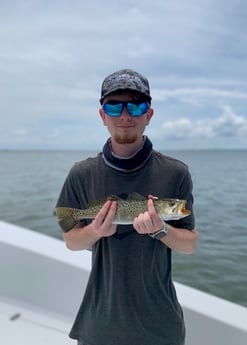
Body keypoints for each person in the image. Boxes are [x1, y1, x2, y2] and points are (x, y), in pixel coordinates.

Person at [56, 68, 198, 345]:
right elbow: (72, 242)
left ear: (149, 114)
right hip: (99, 324)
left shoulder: (176, 173)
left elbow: (189, 244)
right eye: (114, 105)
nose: (125, 115)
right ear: (102, 115)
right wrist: (96, 231)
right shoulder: (81, 173)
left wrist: (161, 230)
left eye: (135, 105)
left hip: (161, 326)